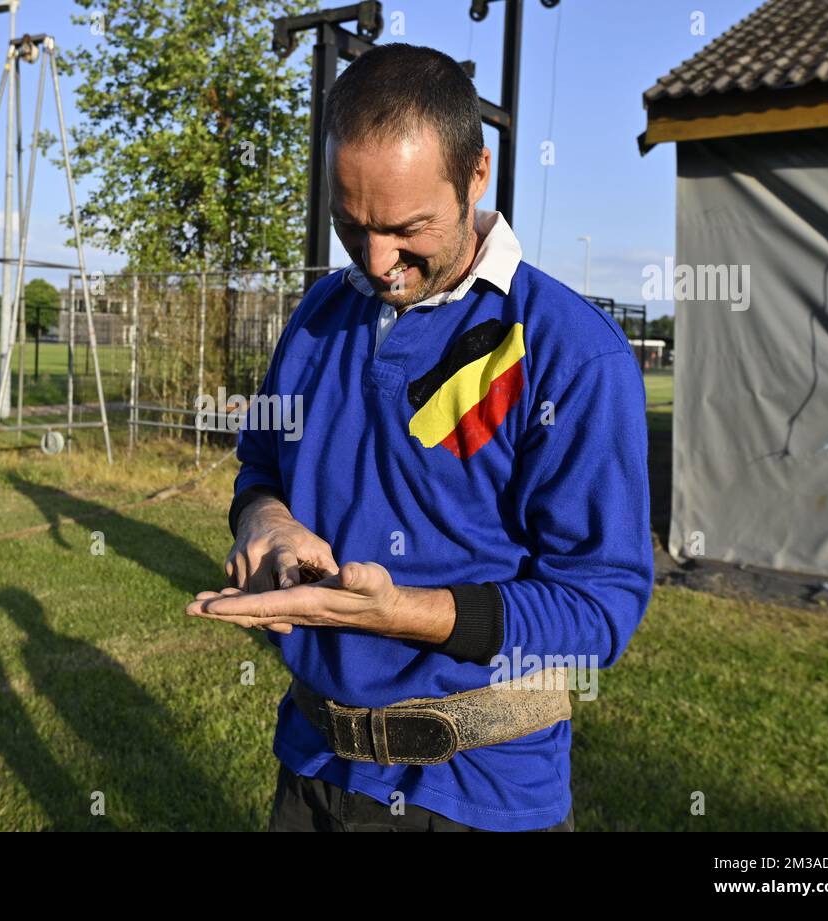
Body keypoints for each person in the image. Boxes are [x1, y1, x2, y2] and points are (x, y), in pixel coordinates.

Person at [187, 44, 653, 832]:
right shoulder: (318, 317)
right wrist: (265, 519)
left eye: (408, 229)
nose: (377, 262)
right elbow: (260, 464)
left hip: (478, 796)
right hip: (310, 766)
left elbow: (600, 608)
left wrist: (406, 612)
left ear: (477, 174)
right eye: (350, 226)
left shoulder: (570, 351)